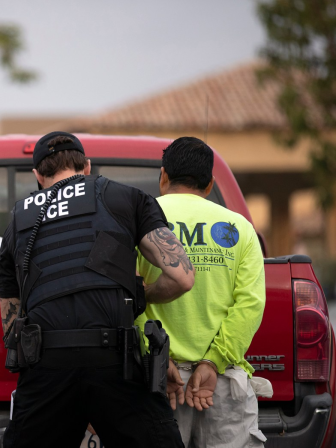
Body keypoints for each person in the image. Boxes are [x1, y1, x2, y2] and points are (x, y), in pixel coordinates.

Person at [0, 131, 195, 448]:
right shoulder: (125, 197)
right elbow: (182, 277)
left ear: (37, 175)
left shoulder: (17, 222)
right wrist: (141, 296)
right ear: (86, 166)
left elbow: (10, 325)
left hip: (47, 368)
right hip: (115, 362)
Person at [136, 137, 267, 447]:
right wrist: (214, 361)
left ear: (163, 177)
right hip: (221, 385)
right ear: (209, 185)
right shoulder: (241, 228)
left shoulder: (138, 221)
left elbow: (125, 297)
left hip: (157, 380)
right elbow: (251, 304)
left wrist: (156, 354)